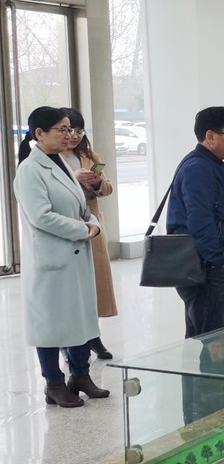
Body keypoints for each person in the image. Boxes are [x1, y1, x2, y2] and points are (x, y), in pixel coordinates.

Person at [13, 106, 109, 408]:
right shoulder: (29, 170)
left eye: (71, 129)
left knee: (79, 318)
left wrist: (92, 224)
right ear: (40, 134)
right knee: (51, 323)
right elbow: (41, 216)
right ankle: (53, 384)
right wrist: (83, 229)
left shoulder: (63, 163)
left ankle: (80, 375)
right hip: (52, 259)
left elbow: (82, 206)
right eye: (62, 129)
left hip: (76, 255)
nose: (69, 135)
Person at [167, 107, 224, 338]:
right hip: (206, 269)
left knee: (202, 336)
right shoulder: (199, 168)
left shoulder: (211, 165)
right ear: (211, 136)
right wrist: (217, 261)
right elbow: (200, 221)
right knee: (214, 341)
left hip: (208, 266)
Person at [62, 108, 117, 359]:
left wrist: (94, 182)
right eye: (69, 130)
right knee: (71, 289)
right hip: (67, 226)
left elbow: (107, 188)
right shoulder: (51, 157)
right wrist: (73, 178)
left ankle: (94, 336)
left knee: (95, 285)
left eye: (79, 130)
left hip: (92, 224)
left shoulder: (89, 155)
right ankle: (68, 342)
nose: (74, 136)